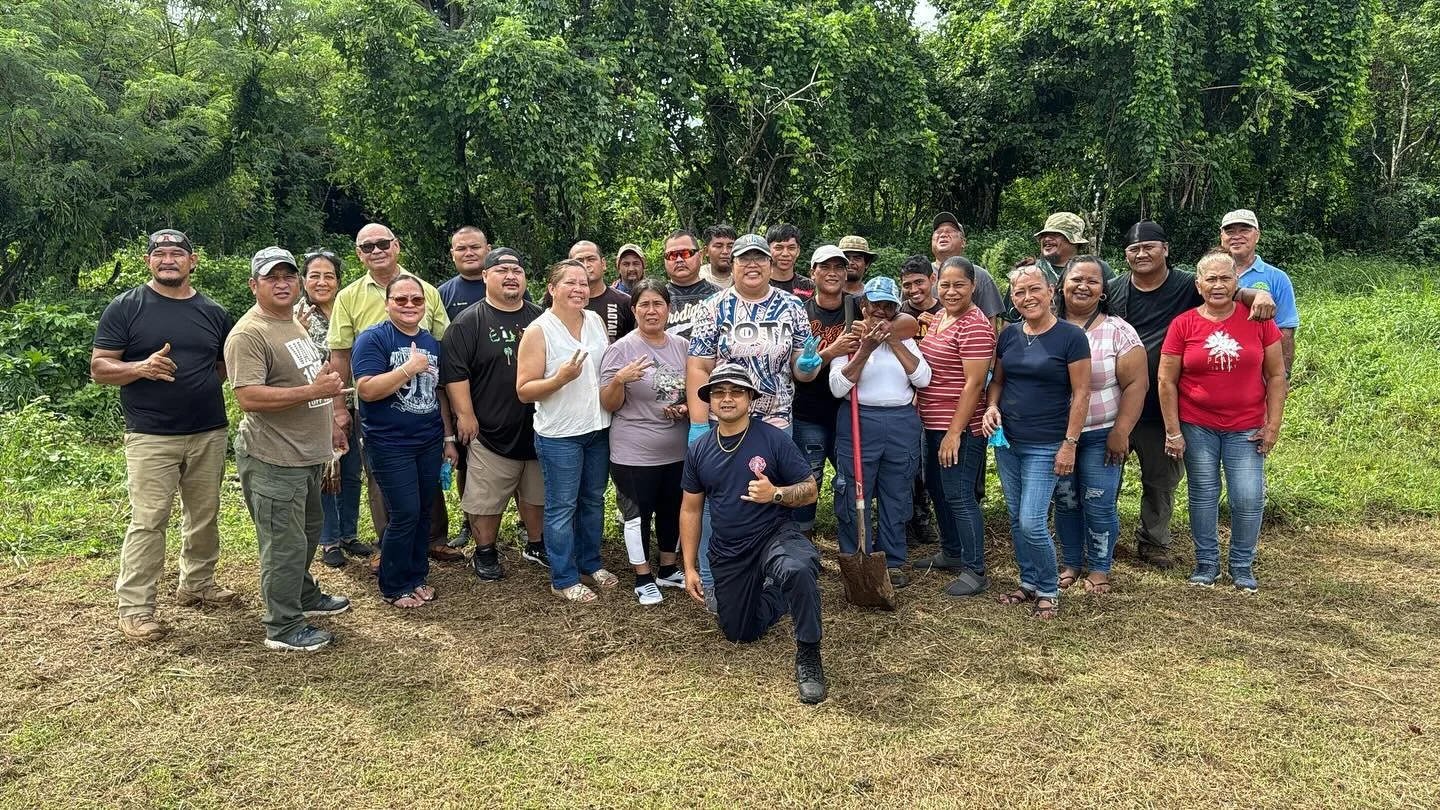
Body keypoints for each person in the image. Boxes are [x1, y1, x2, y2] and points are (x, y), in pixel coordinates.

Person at [1105, 220, 1277, 569]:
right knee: (1106, 477)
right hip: (1116, 402)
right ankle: (1102, 542)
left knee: (1161, 481)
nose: (1142, 253)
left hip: (1163, 407)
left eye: (1149, 246)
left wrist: (1257, 293)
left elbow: (1222, 288)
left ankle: (1154, 543)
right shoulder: (1113, 289)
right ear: (1125, 255)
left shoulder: (1186, 284)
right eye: (1134, 249)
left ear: (1165, 249)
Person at [92, 228, 235, 642]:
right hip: (151, 434)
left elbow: (224, 365)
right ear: (148, 262)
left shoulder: (213, 311)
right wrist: (140, 368)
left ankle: (197, 582)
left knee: (204, 515)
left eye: (177, 253)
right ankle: (136, 607)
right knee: (149, 519)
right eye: (160, 254)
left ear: (193, 262)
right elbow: (100, 367)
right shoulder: (126, 307)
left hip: (208, 429)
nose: (168, 260)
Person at [226, 247, 352, 650]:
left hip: (306, 454)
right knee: (283, 544)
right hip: (273, 457)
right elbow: (248, 397)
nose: (282, 283)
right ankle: (282, 627)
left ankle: (302, 594)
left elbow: (308, 381)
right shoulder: (250, 333)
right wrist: (314, 390)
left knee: (307, 532)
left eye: (288, 276)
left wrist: (331, 419)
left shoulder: (291, 322)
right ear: (254, 285)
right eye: (271, 277)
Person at [681, 364, 826, 704]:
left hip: (774, 534)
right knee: (739, 632)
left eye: (735, 392)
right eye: (719, 392)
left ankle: (809, 654)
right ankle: (780, 594)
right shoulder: (700, 449)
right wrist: (689, 567)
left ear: (750, 398)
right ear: (710, 401)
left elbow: (810, 490)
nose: (727, 398)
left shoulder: (773, 439)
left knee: (798, 568)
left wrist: (775, 494)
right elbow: (690, 509)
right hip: (730, 548)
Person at [686, 233, 819, 600]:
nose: (753, 264)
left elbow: (800, 369)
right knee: (719, 503)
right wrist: (699, 424)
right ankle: (715, 584)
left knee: (774, 499)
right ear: (734, 264)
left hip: (775, 420)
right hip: (725, 422)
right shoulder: (713, 307)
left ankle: (771, 580)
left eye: (760, 258)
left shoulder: (792, 307)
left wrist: (809, 366)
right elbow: (699, 366)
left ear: (770, 263)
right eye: (745, 258)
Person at [327, 223, 460, 564]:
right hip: (378, 407)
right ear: (359, 253)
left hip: (424, 403)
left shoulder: (426, 290)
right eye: (367, 246)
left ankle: (433, 539)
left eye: (382, 243)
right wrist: (339, 408)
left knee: (426, 477)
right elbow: (340, 355)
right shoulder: (349, 297)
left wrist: (450, 417)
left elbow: (443, 346)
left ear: (396, 245)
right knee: (382, 478)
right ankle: (390, 546)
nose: (376, 250)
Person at [1159, 250, 1287, 592]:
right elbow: (1166, 380)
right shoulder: (1183, 324)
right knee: (1203, 492)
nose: (1218, 285)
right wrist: (1173, 430)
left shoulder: (1259, 321)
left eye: (1225, 278)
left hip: (1246, 425)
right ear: (1199, 285)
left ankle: (1242, 565)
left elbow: (1276, 375)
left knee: (1248, 496)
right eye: (1210, 279)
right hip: (1197, 424)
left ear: (1236, 283)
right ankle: (1207, 564)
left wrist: (1272, 425)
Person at [982, 265, 1091, 620]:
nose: (1027, 297)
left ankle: (1048, 587)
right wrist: (992, 407)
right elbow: (997, 381)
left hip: (1047, 443)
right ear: (1012, 298)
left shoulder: (1071, 337)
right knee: (1017, 517)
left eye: (1034, 289)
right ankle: (1028, 582)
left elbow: (1081, 393)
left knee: (1032, 520)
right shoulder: (1010, 335)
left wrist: (1070, 443)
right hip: (1009, 441)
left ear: (1050, 290)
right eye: (1019, 292)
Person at [440, 248, 549, 581]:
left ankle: (536, 543)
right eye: (501, 270)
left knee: (536, 493)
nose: (511, 275)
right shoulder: (468, 322)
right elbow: (455, 374)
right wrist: (465, 415)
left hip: (538, 427)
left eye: (516, 269)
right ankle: (485, 551)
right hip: (489, 429)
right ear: (486, 276)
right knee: (485, 499)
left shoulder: (542, 317)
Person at [352, 275, 458, 608]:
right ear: (387, 304)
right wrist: (408, 370)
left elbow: (438, 396)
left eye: (416, 300)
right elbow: (366, 389)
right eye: (401, 300)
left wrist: (447, 437)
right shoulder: (373, 339)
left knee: (424, 510)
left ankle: (416, 575)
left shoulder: (430, 341)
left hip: (427, 440)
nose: (409, 305)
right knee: (404, 513)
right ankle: (394, 583)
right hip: (389, 442)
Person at [517, 260, 615, 603]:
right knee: (562, 506)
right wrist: (559, 379)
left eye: (584, 283)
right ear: (552, 288)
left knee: (593, 500)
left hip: (598, 428)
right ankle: (563, 577)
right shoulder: (538, 330)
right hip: (559, 435)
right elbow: (524, 390)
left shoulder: (596, 321)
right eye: (570, 282)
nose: (579, 288)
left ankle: (590, 562)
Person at [1052, 256, 1147, 594]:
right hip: (1056, 436)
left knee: (1098, 500)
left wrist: (1121, 430)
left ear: (1103, 291)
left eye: (1093, 281)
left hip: (1101, 433)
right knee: (1065, 501)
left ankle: (1101, 567)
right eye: (1076, 278)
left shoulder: (1118, 331)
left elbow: (1137, 383)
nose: (1083, 286)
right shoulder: (1043, 326)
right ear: (1062, 285)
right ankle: (1071, 563)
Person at [828, 278, 931, 588]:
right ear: (864, 307)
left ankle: (893, 559)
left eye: (889, 307)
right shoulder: (848, 342)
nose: (882, 313)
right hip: (859, 421)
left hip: (900, 423)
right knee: (853, 494)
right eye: (876, 306)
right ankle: (857, 556)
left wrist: (894, 343)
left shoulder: (906, 339)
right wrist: (865, 350)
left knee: (897, 494)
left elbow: (923, 379)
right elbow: (838, 388)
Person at [600, 279, 690, 604]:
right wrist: (620, 380)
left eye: (658, 304)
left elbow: (693, 392)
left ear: (668, 309)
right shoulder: (620, 349)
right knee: (637, 513)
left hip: (677, 448)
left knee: (672, 509)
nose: (652, 311)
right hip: (633, 451)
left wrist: (684, 408)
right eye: (644, 305)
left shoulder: (681, 346)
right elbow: (608, 403)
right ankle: (642, 576)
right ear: (633, 309)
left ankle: (668, 569)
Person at [912, 257, 996, 597]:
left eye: (959, 285)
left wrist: (954, 432)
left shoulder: (974, 325)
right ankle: (951, 551)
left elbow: (974, 384)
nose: (950, 291)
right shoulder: (941, 319)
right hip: (932, 423)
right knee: (938, 489)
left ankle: (975, 569)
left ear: (973, 286)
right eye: (944, 285)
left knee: (960, 495)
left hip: (959, 427)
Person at [297, 250, 372, 568]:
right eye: (314, 275)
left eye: (329, 275)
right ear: (303, 280)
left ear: (339, 281)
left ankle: (348, 534)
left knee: (352, 470)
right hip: (315, 405)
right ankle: (328, 541)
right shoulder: (294, 313)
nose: (322, 282)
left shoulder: (348, 308)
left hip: (352, 400)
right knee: (328, 472)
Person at [791, 246, 862, 537]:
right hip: (809, 411)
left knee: (850, 477)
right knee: (810, 477)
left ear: (847, 273)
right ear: (813, 273)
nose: (832, 273)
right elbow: (799, 371)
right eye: (825, 267)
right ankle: (802, 538)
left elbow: (900, 320)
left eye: (839, 267)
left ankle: (852, 539)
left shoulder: (859, 308)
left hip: (848, 411)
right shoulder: (800, 313)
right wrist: (832, 352)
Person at [899, 254, 944, 545]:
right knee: (908, 465)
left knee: (934, 465)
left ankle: (932, 520)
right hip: (906, 399)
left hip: (940, 399)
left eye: (919, 282)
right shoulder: (898, 314)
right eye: (907, 285)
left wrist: (937, 327)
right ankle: (911, 520)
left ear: (932, 280)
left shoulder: (945, 312)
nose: (914, 290)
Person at [1221, 209, 1299, 375]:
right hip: (1216, 363)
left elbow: (1285, 329)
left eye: (1244, 230)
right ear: (1222, 237)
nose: (1236, 236)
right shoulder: (1207, 277)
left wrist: (1284, 374)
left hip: (1260, 372)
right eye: (1230, 231)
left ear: (1257, 235)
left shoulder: (1277, 278)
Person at [542, 240, 635, 343]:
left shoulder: (625, 302)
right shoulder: (558, 300)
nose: (586, 265)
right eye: (579, 261)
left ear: (603, 263)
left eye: (591, 259)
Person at [929, 212, 1006, 329]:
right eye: (938, 232)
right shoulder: (919, 275)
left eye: (950, 231)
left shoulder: (980, 275)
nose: (943, 234)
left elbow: (991, 324)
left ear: (963, 242)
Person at [662, 228, 720, 339]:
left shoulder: (720, 297)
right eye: (672, 255)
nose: (679, 260)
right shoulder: (657, 299)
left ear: (701, 255)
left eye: (685, 253)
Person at [437, 226, 492, 320]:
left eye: (475, 247)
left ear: (488, 250)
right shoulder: (442, 294)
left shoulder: (508, 286)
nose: (469, 253)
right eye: (461, 249)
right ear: (453, 254)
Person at [765, 223, 816, 299]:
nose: (785, 254)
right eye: (779, 248)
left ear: (798, 251)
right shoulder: (760, 284)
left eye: (791, 248)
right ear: (768, 249)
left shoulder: (809, 286)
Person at [699, 223, 738, 289]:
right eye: (718, 246)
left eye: (730, 246)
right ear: (706, 251)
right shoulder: (697, 277)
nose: (725, 251)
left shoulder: (742, 278)